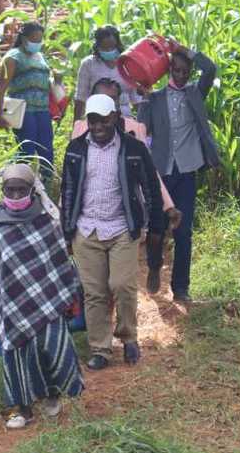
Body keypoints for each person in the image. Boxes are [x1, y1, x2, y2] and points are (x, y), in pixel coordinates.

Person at [0, 163, 84, 429]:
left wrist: (65, 294)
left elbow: (59, 260)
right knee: (17, 353)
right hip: (11, 303)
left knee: (50, 345)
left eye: (20, 190)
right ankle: (21, 409)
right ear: (2, 190)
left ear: (32, 190)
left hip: (48, 298)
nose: (14, 195)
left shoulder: (46, 217)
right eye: (9, 190)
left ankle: (52, 395)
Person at [61, 94, 164, 370]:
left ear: (116, 118)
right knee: (94, 292)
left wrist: (155, 227)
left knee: (122, 285)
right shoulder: (75, 149)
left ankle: (129, 336)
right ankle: (100, 349)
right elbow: (68, 192)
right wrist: (67, 232)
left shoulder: (133, 148)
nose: (98, 126)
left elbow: (150, 187)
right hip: (87, 229)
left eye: (103, 120)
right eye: (92, 120)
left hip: (121, 227)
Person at [138, 44, 219, 302]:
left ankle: (180, 287)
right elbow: (144, 128)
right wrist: (144, 99)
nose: (182, 75)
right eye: (177, 70)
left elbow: (211, 69)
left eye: (186, 71)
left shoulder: (196, 93)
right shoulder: (157, 97)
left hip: (186, 171)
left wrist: (187, 51)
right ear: (169, 70)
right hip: (161, 173)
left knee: (183, 231)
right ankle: (153, 267)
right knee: (156, 229)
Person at [71, 77, 181, 227]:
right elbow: (72, 175)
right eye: (102, 99)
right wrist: (64, 209)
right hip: (89, 214)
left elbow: (150, 173)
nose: (107, 105)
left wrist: (167, 206)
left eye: (112, 100)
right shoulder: (81, 129)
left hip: (127, 212)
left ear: (118, 104)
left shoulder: (134, 129)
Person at [0, 21, 56, 180]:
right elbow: (1, 88)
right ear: (23, 39)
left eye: (40, 40)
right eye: (34, 39)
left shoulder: (40, 56)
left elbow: (44, 81)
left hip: (42, 109)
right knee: (27, 149)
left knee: (46, 149)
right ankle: (8, 178)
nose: (37, 43)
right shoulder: (12, 58)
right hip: (23, 110)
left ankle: (47, 181)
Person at [74, 25, 142, 119]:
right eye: (105, 48)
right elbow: (80, 97)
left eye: (112, 48)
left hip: (124, 116)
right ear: (98, 46)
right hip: (97, 117)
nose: (109, 51)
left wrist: (143, 122)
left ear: (118, 45)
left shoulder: (127, 64)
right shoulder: (88, 64)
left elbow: (136, 98)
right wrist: (76, 124)